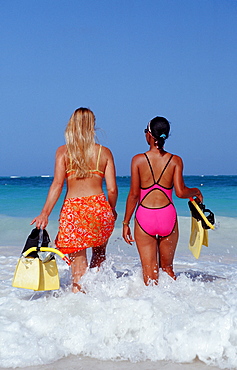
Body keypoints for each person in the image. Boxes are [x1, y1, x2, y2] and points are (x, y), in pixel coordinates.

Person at [31, 107, 118, 293]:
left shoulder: (63, 152)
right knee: (99, 255)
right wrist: (111, 210)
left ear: (72, 126)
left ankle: (80, 303)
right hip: (99, 208)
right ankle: (101, 298)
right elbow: (112, 189)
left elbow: (57, 184)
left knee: (79, 266)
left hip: (74, 211)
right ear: (92, 126)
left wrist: (44, 213)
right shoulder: (104, 152)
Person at [122, 116, 203, 285]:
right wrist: (196, 191)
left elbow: (134, 195)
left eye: (145, 132)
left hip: (145, 217)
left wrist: (125, 223)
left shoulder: (138, 160)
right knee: (167, 269)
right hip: (168, 216)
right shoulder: (175, 160)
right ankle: (174, 307)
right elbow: (181, 192)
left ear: (149, 135)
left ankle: (153, 309)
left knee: (150, 273)